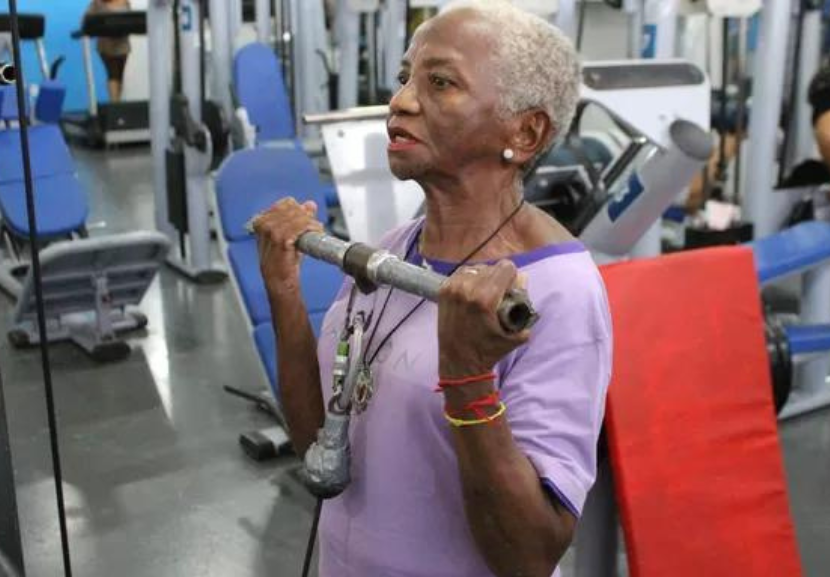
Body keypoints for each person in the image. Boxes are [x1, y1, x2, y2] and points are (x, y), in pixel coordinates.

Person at [252, 1, 612, 576]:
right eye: (404, 77)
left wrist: (469, 379)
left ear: (525, 131)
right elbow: (319, 441)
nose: (401, 101)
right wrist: (284, 293)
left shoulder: (558, 292)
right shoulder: (393, 250)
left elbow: (529, 555)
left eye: (439, 82)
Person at [85, 0, 131, 103]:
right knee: (113, 74)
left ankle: (117, 104)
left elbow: (130, 19)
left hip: (122, 44)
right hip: (106, 44)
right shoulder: (97, 3)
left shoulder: (125, 2)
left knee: (119, 75)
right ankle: (114, 105)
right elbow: (86, 21)